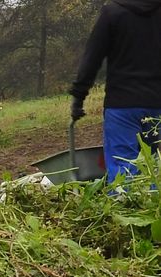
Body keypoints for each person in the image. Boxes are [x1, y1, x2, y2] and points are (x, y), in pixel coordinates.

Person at [70, 0, 161, 182]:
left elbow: (92, 58)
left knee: (123, 168)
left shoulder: (112, 13)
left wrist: (79, 97)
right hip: (157, 104)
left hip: (122, 106)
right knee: (155, 168)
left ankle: (126, 206)